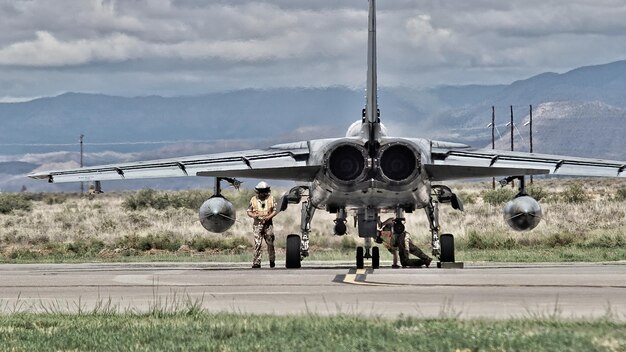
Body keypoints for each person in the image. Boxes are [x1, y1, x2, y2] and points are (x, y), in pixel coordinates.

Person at [247, 181, 278, 268]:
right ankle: (256, 262)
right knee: (257, 244)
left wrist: (269, 217)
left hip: (268, 224)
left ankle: (272, 260)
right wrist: (254, 216)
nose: (263, 194)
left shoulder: (271, 199)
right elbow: (249, 211)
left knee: (270, 243)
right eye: (261, 192)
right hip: (257, 224)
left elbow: (275, 210)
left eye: (265, 191)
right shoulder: (253, 200)